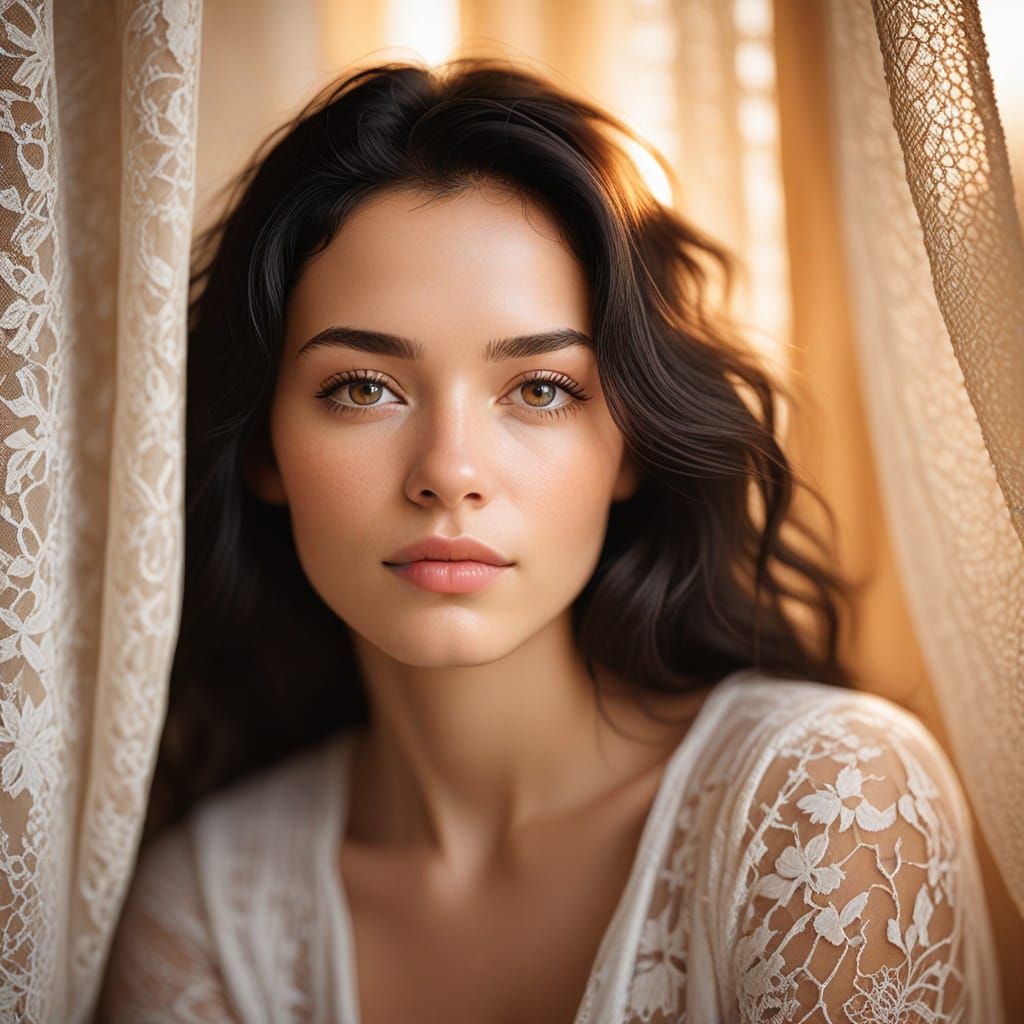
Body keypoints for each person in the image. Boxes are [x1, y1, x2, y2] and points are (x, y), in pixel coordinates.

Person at [94, 58, 1004, 1022]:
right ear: (263, 448)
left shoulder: (826, 811)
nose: (449, 470)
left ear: (631, 446)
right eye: (363, 386)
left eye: (539, 389)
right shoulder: (200, 915)